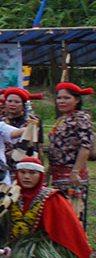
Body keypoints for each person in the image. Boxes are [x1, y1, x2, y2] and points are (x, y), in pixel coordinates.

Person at [4, 157, 92, 258]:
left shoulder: (52, 198)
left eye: (32, 173)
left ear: (40, 175)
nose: (26, 177)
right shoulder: (10, 196)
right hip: (11, 245)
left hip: (41, 247)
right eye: (22, 172)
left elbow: (67, 229)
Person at [47, 82, 92, 229]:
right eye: (59, 98)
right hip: (58, 176)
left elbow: (85, 146)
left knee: (74, 217)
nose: (61, 101)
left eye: (66, 98)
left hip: (72, 177)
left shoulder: (80, 118)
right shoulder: (62, 119)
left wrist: (75, 171)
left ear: (77, 100)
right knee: (61, 217)